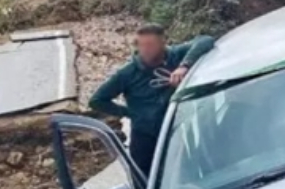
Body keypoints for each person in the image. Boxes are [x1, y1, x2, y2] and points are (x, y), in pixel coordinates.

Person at [90, 24, 215, 176]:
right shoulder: (127, 73)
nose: (146, 50)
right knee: (143, 179)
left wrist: (184, 66)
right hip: (145, 135)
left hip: (176, 130)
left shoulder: (175, 56)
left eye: (151, 45)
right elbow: (97, 100)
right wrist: (132, 113)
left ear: (163, 43)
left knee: (184, 173)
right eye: (142, 45)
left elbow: (205, 40)